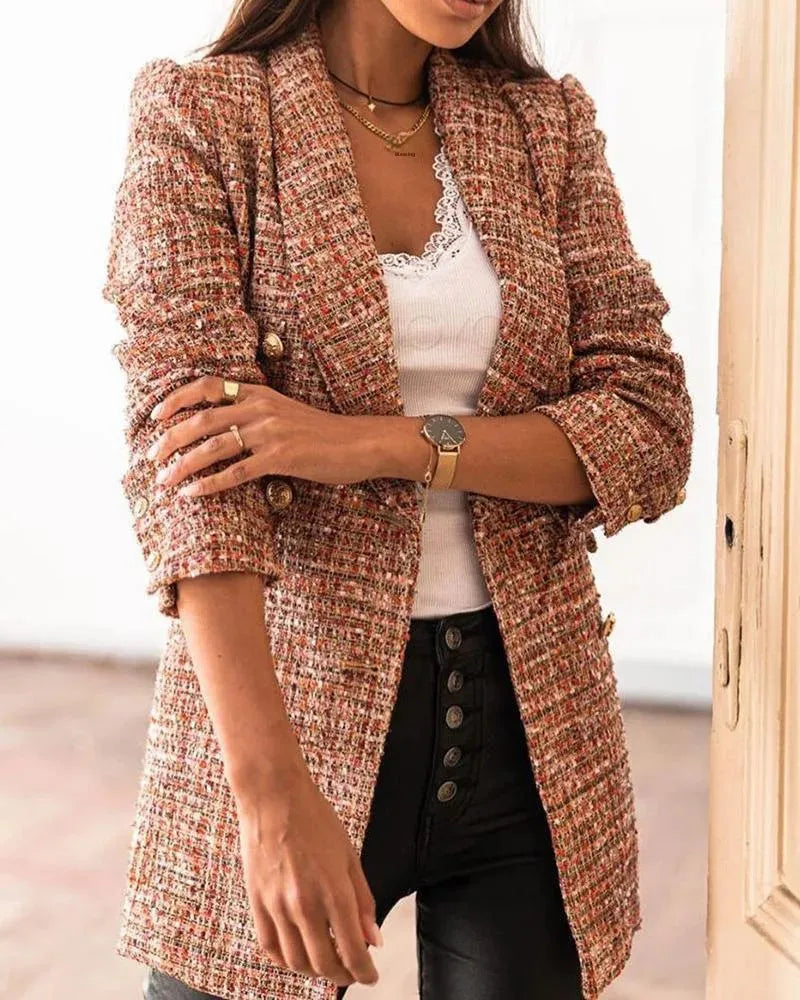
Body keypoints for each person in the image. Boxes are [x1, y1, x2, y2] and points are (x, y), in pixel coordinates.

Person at [102, 1, 694, 998]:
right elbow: (196, 481)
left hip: (528, 724)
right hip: (291, 706)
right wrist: (267, 794)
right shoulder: (204, 115)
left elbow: (647, 423)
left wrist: (378, 444)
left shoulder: (542, 126)